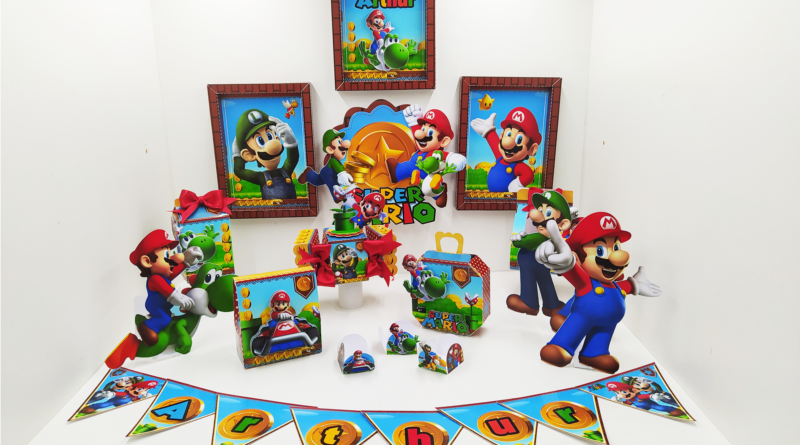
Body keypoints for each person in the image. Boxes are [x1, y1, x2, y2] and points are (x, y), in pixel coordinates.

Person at [535, 212, 662, 374]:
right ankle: (561, 346)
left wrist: (635, 284)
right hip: (583, 317)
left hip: (609, 323)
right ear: (579, 257)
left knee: (602, 336)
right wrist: (569, 264)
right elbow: (573, 272)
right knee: (575, 327)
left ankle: (594, 354)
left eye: (616, 247)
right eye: (600, 250)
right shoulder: (586, 283)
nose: (617, 257)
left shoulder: (613, 284)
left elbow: (624, 287)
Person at [508, 189, 572, 321]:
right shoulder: (551, 241)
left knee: (529, 281)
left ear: (563, 224)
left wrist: (519, 239)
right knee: (545, 281)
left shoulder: (539, 238)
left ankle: (529, 303)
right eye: (540, 210)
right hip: (542, 266)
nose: (538, 216)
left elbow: (520, 243)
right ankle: (552, 306)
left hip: (530, 265)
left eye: (547, 213)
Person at [130, 230, 202, 346]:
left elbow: (173, 273)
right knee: (165, 319)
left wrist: (186, 260)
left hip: (164, 305)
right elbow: (167, 291)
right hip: (156, 306)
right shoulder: (154, 279)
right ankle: (146, 327)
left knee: (168, 317)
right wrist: (177, 296)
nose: (175, 258)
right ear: (147, 261)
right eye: (166, 255)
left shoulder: (161, 276)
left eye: (170, 253)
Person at [387, 106, 467, 207]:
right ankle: (397, 173)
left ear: (443, 141)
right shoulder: (422, 149)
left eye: (430, 133)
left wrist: (455, 159)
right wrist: (413, 122)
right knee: (418, 177)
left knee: (424, 181)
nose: (420, 133)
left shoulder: (435, 153)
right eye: (423, 128)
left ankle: (439, 192)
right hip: (417, 173)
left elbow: (447, 157)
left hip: (426, 174)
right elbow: (417, 136)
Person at [231, 109, 299, 200]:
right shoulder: (260, 177)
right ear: (249, 155)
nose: (272, 145)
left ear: (277, 139)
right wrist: (237, 153)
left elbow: (293, 158)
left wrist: (291, 141)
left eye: (270, 136)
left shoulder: (286, 170)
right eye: (260, 141)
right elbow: (239, 171)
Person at [469, 107, 541, 193]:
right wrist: (487, 129)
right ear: (502, 136)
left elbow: (529, 175)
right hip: (491, 197)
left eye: (519, 139)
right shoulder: (500, 157)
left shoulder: (518, 166)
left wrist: (518, 183)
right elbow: (494, 143)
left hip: (507, 199)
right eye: (508, 134)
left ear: (532, 149)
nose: (507, 143)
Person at [297, 129, 353, 201]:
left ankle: (309, 174)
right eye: (339, 142)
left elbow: (340, 167)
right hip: (328, 174)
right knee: (333, 183)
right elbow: (339, 170)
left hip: (325, 173)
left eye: (341, 141)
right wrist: (342, 174)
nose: (344, 146)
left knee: (318, 180)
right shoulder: (332, 160)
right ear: (330, 149)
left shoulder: (337, 161)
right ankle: (337, 197)